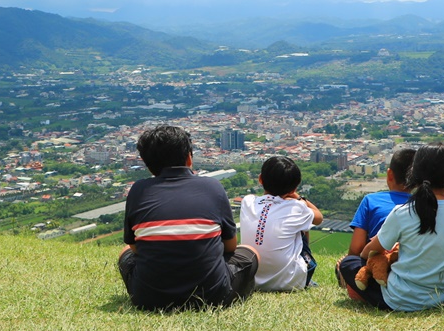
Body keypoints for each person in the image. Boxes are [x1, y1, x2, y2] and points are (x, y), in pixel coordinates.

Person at [118, 125, 259, 311]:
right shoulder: (212, 187)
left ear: (147, 163)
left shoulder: (138, 190)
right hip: (212, 296)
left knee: (124, 252)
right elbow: (231, 246)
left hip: (148, 298)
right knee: (250, 252)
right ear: (189, 157)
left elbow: (135, 248)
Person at [338, 144, 444, 311]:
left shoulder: (402, 212)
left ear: (414, 175)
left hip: (401, 299)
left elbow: (367, 252)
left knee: (348, 263)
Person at [239, 156, 323, 291]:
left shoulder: (248, 202)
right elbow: (318, 218)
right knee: (303, 226)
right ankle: (306, 276)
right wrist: (300, 198)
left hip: (251, 279)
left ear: (260, 179)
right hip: (290, 282)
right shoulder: (296, 207)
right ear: (294, 188)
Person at [346, 148, 416, 256]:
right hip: (410, 265)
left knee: (345, 264)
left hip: (373, 264)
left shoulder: (371, 200)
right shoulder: (423, 205)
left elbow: (356, 248)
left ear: (390, 174)